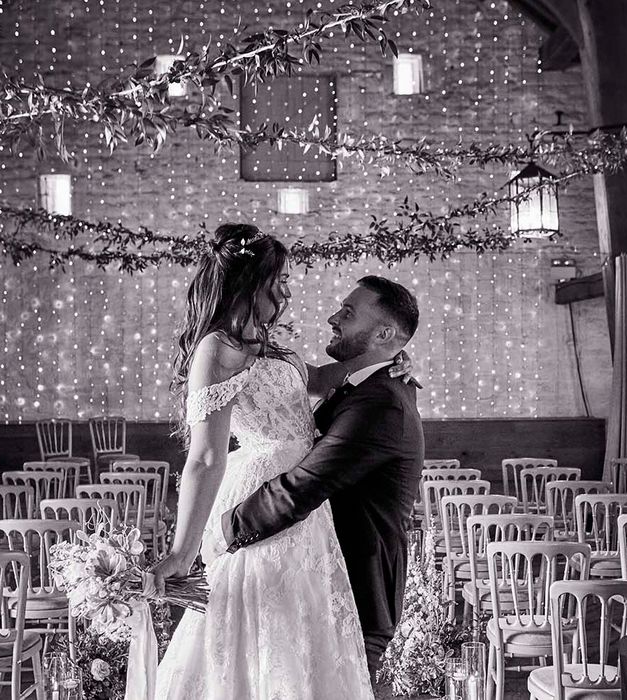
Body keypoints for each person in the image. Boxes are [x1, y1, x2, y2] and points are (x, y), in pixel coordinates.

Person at [153, 223, 381, 699]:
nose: (287, 289)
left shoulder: (268, 342)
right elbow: (207, 456)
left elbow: (317, 380)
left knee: (304, 620)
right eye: (279, 279)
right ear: (250, 281)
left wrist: (386, 359)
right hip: (262, 492)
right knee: (262, 617)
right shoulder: (217, 348)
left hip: (304, 492)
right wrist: (182, 551)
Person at [220, 274, 425, 681]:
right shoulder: (366, 387)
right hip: (324, 587)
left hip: (356, 601)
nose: (333, 317)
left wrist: (222, 529)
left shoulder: (381, 403)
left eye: (348, 313)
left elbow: (304, 485)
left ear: (384, 332)